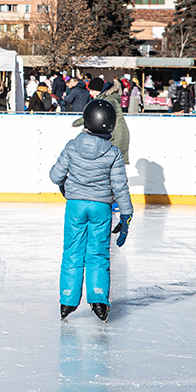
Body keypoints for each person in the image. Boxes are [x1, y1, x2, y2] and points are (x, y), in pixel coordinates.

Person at [49, 99, 134, 323]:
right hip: (101, 208)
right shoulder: (113, 153)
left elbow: (55, 176)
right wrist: (126, 215)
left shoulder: (71, 146)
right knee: (97, 254)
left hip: (75, 206)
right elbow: (120, 186)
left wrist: (66, 186)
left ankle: (67, 301)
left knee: (72, 252)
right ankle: (98, 301)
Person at [72, 77, 130, 164]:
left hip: (116, 136)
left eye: (92, 90)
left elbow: (95, 116)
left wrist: (77, 123)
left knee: (112, 165)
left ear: (98, 90)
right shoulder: (104, 99)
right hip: (112, 134)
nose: (90, 93)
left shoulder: (108, 100)